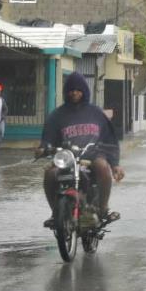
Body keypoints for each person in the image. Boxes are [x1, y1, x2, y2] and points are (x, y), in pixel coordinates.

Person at [37, 72, 125, 227]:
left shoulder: (96, 113)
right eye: (71, 90)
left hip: (93, 155)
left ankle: (103, 209)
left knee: (103, 168)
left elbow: (110, 139)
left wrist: (115, 164)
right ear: (66, 92)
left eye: (78, 89)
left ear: (84, 90)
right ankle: (55, 213)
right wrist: (43, 148)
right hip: (67, 157)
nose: (74, 93)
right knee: (50, 174)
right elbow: (48, 138)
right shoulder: (57, 115)